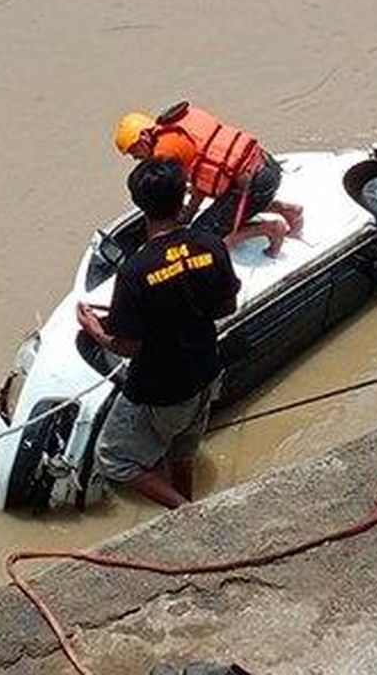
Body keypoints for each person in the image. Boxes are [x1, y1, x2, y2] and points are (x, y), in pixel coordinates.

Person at [76, 158, 240, 507]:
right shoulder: (210, 245)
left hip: (161, 389)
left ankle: (185, 511)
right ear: (184, 197)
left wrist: (94, 329)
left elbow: (128, 346)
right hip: (206, 373)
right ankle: (188, 507)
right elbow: (228, 307)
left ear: (138, 205)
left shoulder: (136, 271)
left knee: (113, 459)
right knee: (183, 450)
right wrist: (185, 310)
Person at [113, 102, 304, 256]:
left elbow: (199, 186)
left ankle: (270, 228)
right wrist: (189, 212)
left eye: (133, 150)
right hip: (265, 166)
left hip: (253, 185)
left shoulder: (166, 151)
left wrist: (187, 217)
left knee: (205, 234)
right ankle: (288, 210)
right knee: (224, 202)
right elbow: (205, 176)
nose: (135, 158)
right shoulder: (179, 123)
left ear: (144, 136)